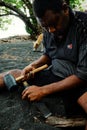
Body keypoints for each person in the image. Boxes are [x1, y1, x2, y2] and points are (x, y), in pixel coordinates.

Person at [0, 0, 87, 128]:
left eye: (54, 24)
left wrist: (43, 90)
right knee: (14, 74)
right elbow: (48, 55)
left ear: (65, 9)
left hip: (80, 82)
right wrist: (34, 65)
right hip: (56, 74)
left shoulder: (83, 26)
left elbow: (83, 75)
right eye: (45, 27)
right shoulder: (48, 26)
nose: (51, 30)